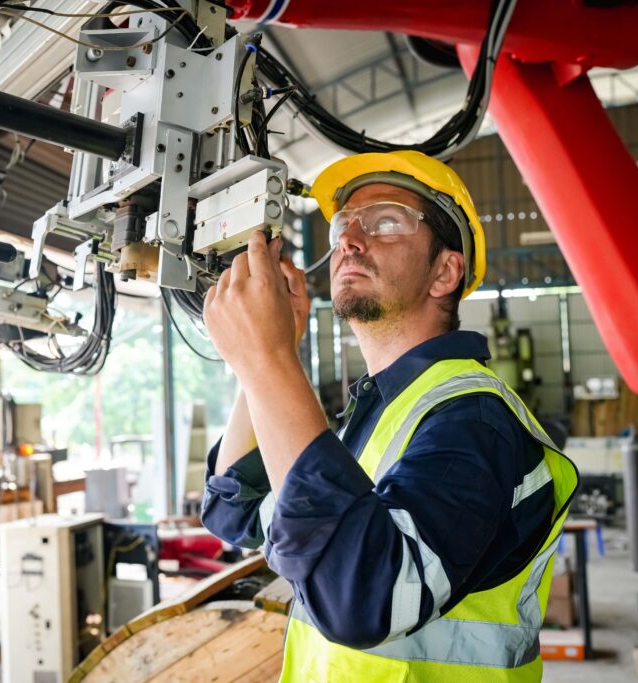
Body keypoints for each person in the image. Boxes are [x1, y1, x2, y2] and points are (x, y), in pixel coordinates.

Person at [200, 150, 579, 682]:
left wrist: (269, 359)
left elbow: (360, 600)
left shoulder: (473, 421)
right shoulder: (377, 414)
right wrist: (266, 356)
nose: (350, 240)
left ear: (445, 271)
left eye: (385, 222)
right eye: (342, 227)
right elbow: (237, 511)